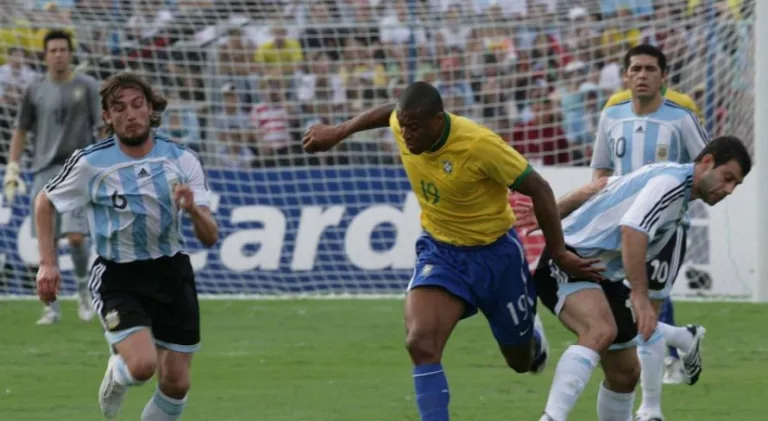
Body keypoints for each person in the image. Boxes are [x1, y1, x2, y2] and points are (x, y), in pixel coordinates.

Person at [302, 81, 605, 421]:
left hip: (496, 257)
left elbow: (539, 188)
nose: (405, 135)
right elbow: (390, 111)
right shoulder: (405, 124)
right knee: (421, 342)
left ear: (437, 120)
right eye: (403, 127)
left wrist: (560, 251)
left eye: (414, 128)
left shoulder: (479, 145)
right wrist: (340, 131)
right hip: (441, 252)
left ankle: (532, 338)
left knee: (521, 361)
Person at [516, 135, 751, 421]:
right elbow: (633, 231)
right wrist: (639, 295)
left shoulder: (666, 177)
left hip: (601, 275)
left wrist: (551, 212)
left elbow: (599, 186)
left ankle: (683, 337)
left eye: (735, 185)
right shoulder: (671, 184)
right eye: (727, 177)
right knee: (600, 330)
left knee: (626, 373)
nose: (728, 189)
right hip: (569, 258)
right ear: (706, 162)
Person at [34, 72, 218, 421]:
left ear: (150, 110)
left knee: (177, 384)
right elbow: (44, 202)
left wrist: (192, 208)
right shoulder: (90, 162)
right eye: (119, 108)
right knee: (142, 366)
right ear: (107, 116)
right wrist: (48, 263)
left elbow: (210, 236)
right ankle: (117, 373)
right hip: (119, 274)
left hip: (172, 272)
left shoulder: (182, 159)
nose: (130, 115)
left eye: (137, 106)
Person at [591, 44, 711, 420]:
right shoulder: (611, 116)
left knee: (646, 311)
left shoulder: (681, 119)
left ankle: (651, 408)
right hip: (618, 231)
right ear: (626, 76)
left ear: (663, 77)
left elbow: (706, 168)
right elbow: (600, 172)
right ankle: (681, 337)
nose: (642, 75)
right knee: (616, 313)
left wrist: (675, 208)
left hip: (663, 233)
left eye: (650, 69)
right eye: (635, 69)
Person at [4, 29, 102, 325]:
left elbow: (101, 127)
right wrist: (12, 166)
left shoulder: (87, 86)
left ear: (70, 53)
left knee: (74, 238)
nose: (59, 54)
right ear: (45, 56)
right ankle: (52, 306)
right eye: (53, 50)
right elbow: (21, 129)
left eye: (63, 49)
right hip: (44, 171)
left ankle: (84, 290)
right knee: (47, 244)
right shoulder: (34, 89)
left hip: (77, 168)